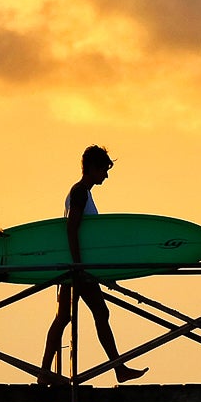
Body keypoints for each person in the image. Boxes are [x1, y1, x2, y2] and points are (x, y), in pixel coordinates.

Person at [41, 145, 146, 384]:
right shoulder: (79, 192)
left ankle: (45, 371)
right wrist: (79, 267)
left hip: (76, 268)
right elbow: (71, 228)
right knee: (98, 312)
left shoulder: (81, 193)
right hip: (77, 269)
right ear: (92, 168)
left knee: (65, 317)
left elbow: (89, 239)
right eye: (103, 170)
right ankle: (118, 369)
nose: (106, 176)